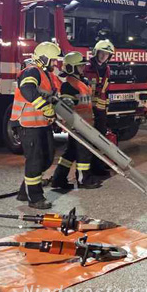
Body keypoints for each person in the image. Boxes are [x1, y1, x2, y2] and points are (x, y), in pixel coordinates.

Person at [12, 41, 63, 210]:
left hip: (41, 124)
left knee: (48, 157)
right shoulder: (31, 71)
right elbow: (27, 89)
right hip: (28, 124)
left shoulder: (46, 74)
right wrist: (45, 107)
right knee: (35, 160)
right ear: (44, 58)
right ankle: (35, 198)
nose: (55, 64)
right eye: (53, 60)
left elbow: (50, 95)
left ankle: (24, 191)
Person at [50, 52, 103, 190]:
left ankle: (58, 179)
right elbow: (67, 106)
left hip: (82, 124)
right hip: (79, 125)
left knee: (71, 152)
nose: (82, 69)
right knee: (84, 152)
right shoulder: (69, 85)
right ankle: (84, 179)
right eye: (79, 67)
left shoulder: (80, 82)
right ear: (71, 68)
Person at [83, 38, 115, 175]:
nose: (103, 56)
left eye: (106, 54)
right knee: (88, 140)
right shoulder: (86, 67)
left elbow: (105, 91)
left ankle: (98, 166)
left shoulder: (107, 69)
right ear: (96, 53)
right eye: (101, 53)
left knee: (100, 139)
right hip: (87, 110)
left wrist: (106, 110)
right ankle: (88, 169)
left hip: (101, 110)